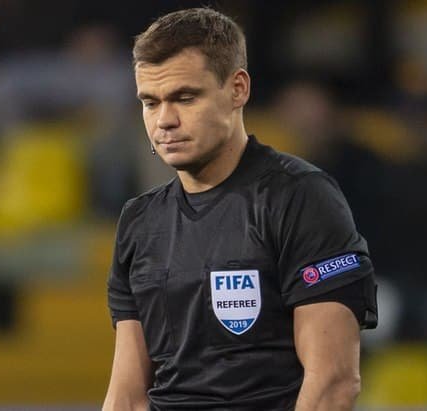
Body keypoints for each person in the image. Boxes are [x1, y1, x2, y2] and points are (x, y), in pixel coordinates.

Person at [104, 8, 378, 411]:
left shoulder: (300, 198)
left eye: (185, 97)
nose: (164, 120)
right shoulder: (140, 222)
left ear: (237, 89)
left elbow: (333, 383)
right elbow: (126, 398)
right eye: (150, 102)